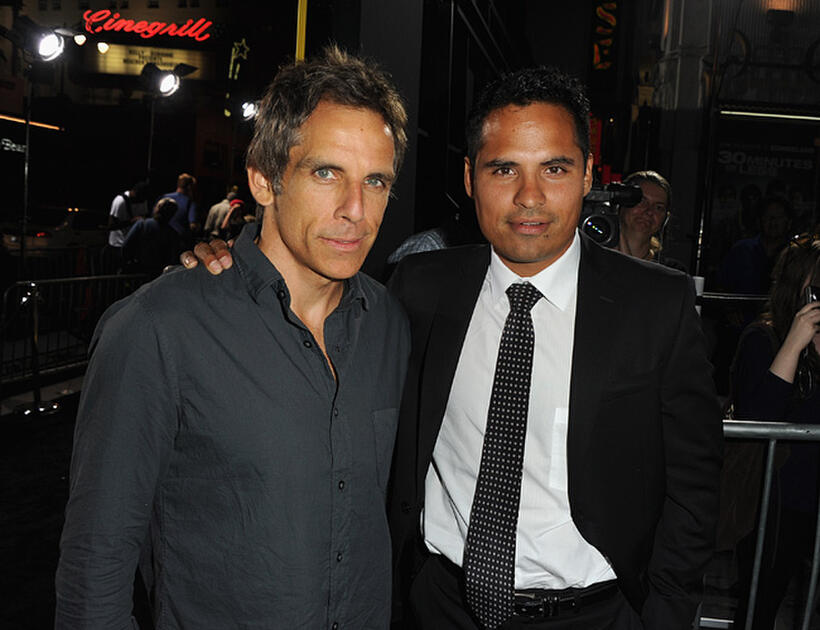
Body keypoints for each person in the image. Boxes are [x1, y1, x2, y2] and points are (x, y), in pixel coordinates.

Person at [190, 66, 724, 629]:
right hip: (438, 605)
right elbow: (300, 293)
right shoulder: (420, 288)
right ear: (470, 177)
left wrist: (665, 614)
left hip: (597, 613)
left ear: (588, 173)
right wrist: (224, 260)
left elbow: (694, 487)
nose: (530, 196)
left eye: (555, 169)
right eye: (504, 169)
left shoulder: (654, 305)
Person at [55, 46, 410, 629]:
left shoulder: (392, 324)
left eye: (376, 181)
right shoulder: (157, 331)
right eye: (327, 173)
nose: (356, 209)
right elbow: (95, 570)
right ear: (264, 180)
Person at [731, 234, 820, 630]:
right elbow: (758, 419)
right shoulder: (763, 338)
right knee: (760, 605)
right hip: (777, 500)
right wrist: (796, 343)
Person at [614, 170, 684, 270]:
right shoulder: (595, 256)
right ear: (620, 205)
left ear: (665, 219)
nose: (649, 211)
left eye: (658, 207)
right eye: (641, 201)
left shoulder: (672, 271)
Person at [121, 197, 182, 278]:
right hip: (159, 275)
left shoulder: (142, 225)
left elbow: (126, 247)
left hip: (137, 273)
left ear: (158, 208)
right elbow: (173, 258)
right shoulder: (173, 234)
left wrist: (127, 265)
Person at [104, 180, 148, 271]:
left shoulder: (142, 200)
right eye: (140, 198)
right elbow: (111, 226)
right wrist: (132, 221)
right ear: (135, 193)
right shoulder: (120, 201)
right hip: (117, 245)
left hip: (132, 244)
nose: (141, 201)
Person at [160, 172, 199, 248]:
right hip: (179, 242)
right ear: (189, 187)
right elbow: (193, 226)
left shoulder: (163, 197)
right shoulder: (189, 202)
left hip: (161, 238)